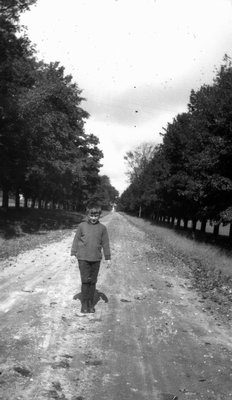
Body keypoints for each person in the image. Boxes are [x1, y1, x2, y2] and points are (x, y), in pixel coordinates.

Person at [71, 200, 111, 313]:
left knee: (93, 282)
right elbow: (76, 240)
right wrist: (73, 254)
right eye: (91, 215)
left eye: (96, 215)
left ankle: (90, 303)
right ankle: (84, 304)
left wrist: (108, 257)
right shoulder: (81, 226)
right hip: (83, 259)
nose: (93, 218)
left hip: (96, 259)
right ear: (88, 214)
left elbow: (106, 243)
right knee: (85, 281)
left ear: (99, 215)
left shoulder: (103, 228)